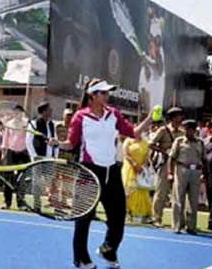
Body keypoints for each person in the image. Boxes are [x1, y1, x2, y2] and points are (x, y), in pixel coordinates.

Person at [59, 78, 153, 269]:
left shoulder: (114, 114)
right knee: (84, 218)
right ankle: (81, 258)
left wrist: (150, 118)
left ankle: (108, 250)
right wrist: (58, 143)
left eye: (108, 92)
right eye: (103, 92)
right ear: (92, 95)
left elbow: (132, 133)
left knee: (118, 218)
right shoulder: (80, 117)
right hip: (89, 171)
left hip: (112, 172)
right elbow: (71, 143)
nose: (107, 95)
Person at [169, 119, 208, 235]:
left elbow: (204, 159)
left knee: (193, 200)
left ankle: (191, 226)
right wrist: (170, 173)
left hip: (196, 171)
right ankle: (177, 225)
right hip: (182, 170)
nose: (187, 131)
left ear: (194, 130)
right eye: (185, 129)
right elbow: (171, 158)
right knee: (178, 198)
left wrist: (205, 174)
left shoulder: (200, 143)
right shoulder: (179, 141)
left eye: (189, 129)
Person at [149, 107, 184, 227]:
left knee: (178, 193)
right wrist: (164, 150)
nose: (180, 119)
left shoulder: (182, 132)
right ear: (172, 117)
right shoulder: (163, 130)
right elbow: (151, 144)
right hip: (165, 163)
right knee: (161, 192)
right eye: (178, 116)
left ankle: (178, 221)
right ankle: (156, 218)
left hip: (178, 164)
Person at [0, 104, 31, 211]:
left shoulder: (27, 123)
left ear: (22, 112)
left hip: (24, 153)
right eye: (15, 111)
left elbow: (30, 138)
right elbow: (5, 139)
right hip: (11, 152)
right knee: (8, 178)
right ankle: (6, 202)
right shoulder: (8, 124)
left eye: (19, 111)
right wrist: (3, 153)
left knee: (22, 179)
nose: (17, 114)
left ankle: (21, 203)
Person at [121, 135, 152, 224]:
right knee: (129, 191)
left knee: (141, 191)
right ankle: (127, 214)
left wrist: (142, 166)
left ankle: (141, 216)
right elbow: (126, 154)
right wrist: (134, 164)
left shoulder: (145, 142)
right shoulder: (128, 141)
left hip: (141, 170)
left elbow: (147, 156)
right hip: (129, 169)